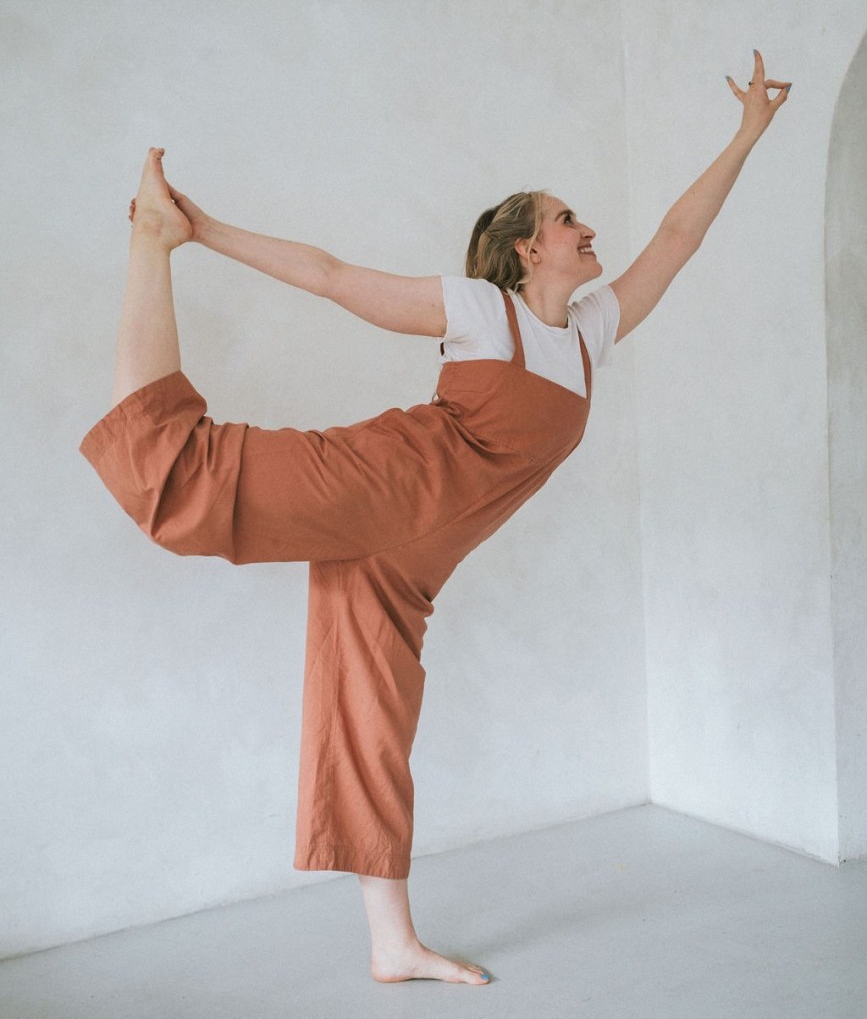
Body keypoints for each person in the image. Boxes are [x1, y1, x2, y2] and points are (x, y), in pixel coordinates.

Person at [80, 52, 790, 985]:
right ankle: (151, 246)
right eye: (567, 217)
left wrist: (746, 133)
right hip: (378, 483)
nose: (587, 227)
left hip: (413, 558)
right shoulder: (480, 310)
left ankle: (391, 943)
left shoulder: (586, 335)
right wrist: (199, 230)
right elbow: (334, 276)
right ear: (529, 248)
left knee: (372, 721)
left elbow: (677, 236)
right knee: (179, 482)